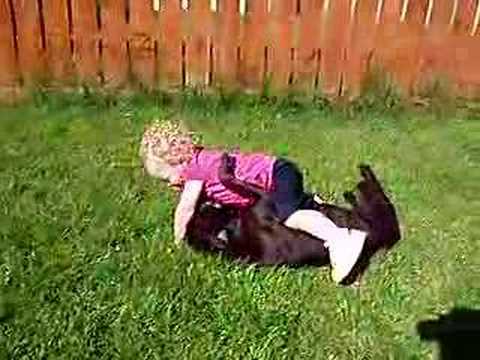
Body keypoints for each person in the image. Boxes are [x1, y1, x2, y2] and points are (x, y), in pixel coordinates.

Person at [140, 119, 367, 283]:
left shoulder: (195, 172)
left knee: (290, 216)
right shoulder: (202, 159)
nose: (171, 184)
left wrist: (177, 241)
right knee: (290, 206)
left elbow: (186, 209)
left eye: (168, 177)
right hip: (276, 176)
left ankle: (338, 239)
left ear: (177, 161)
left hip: (277, 175)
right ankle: (313, 204)